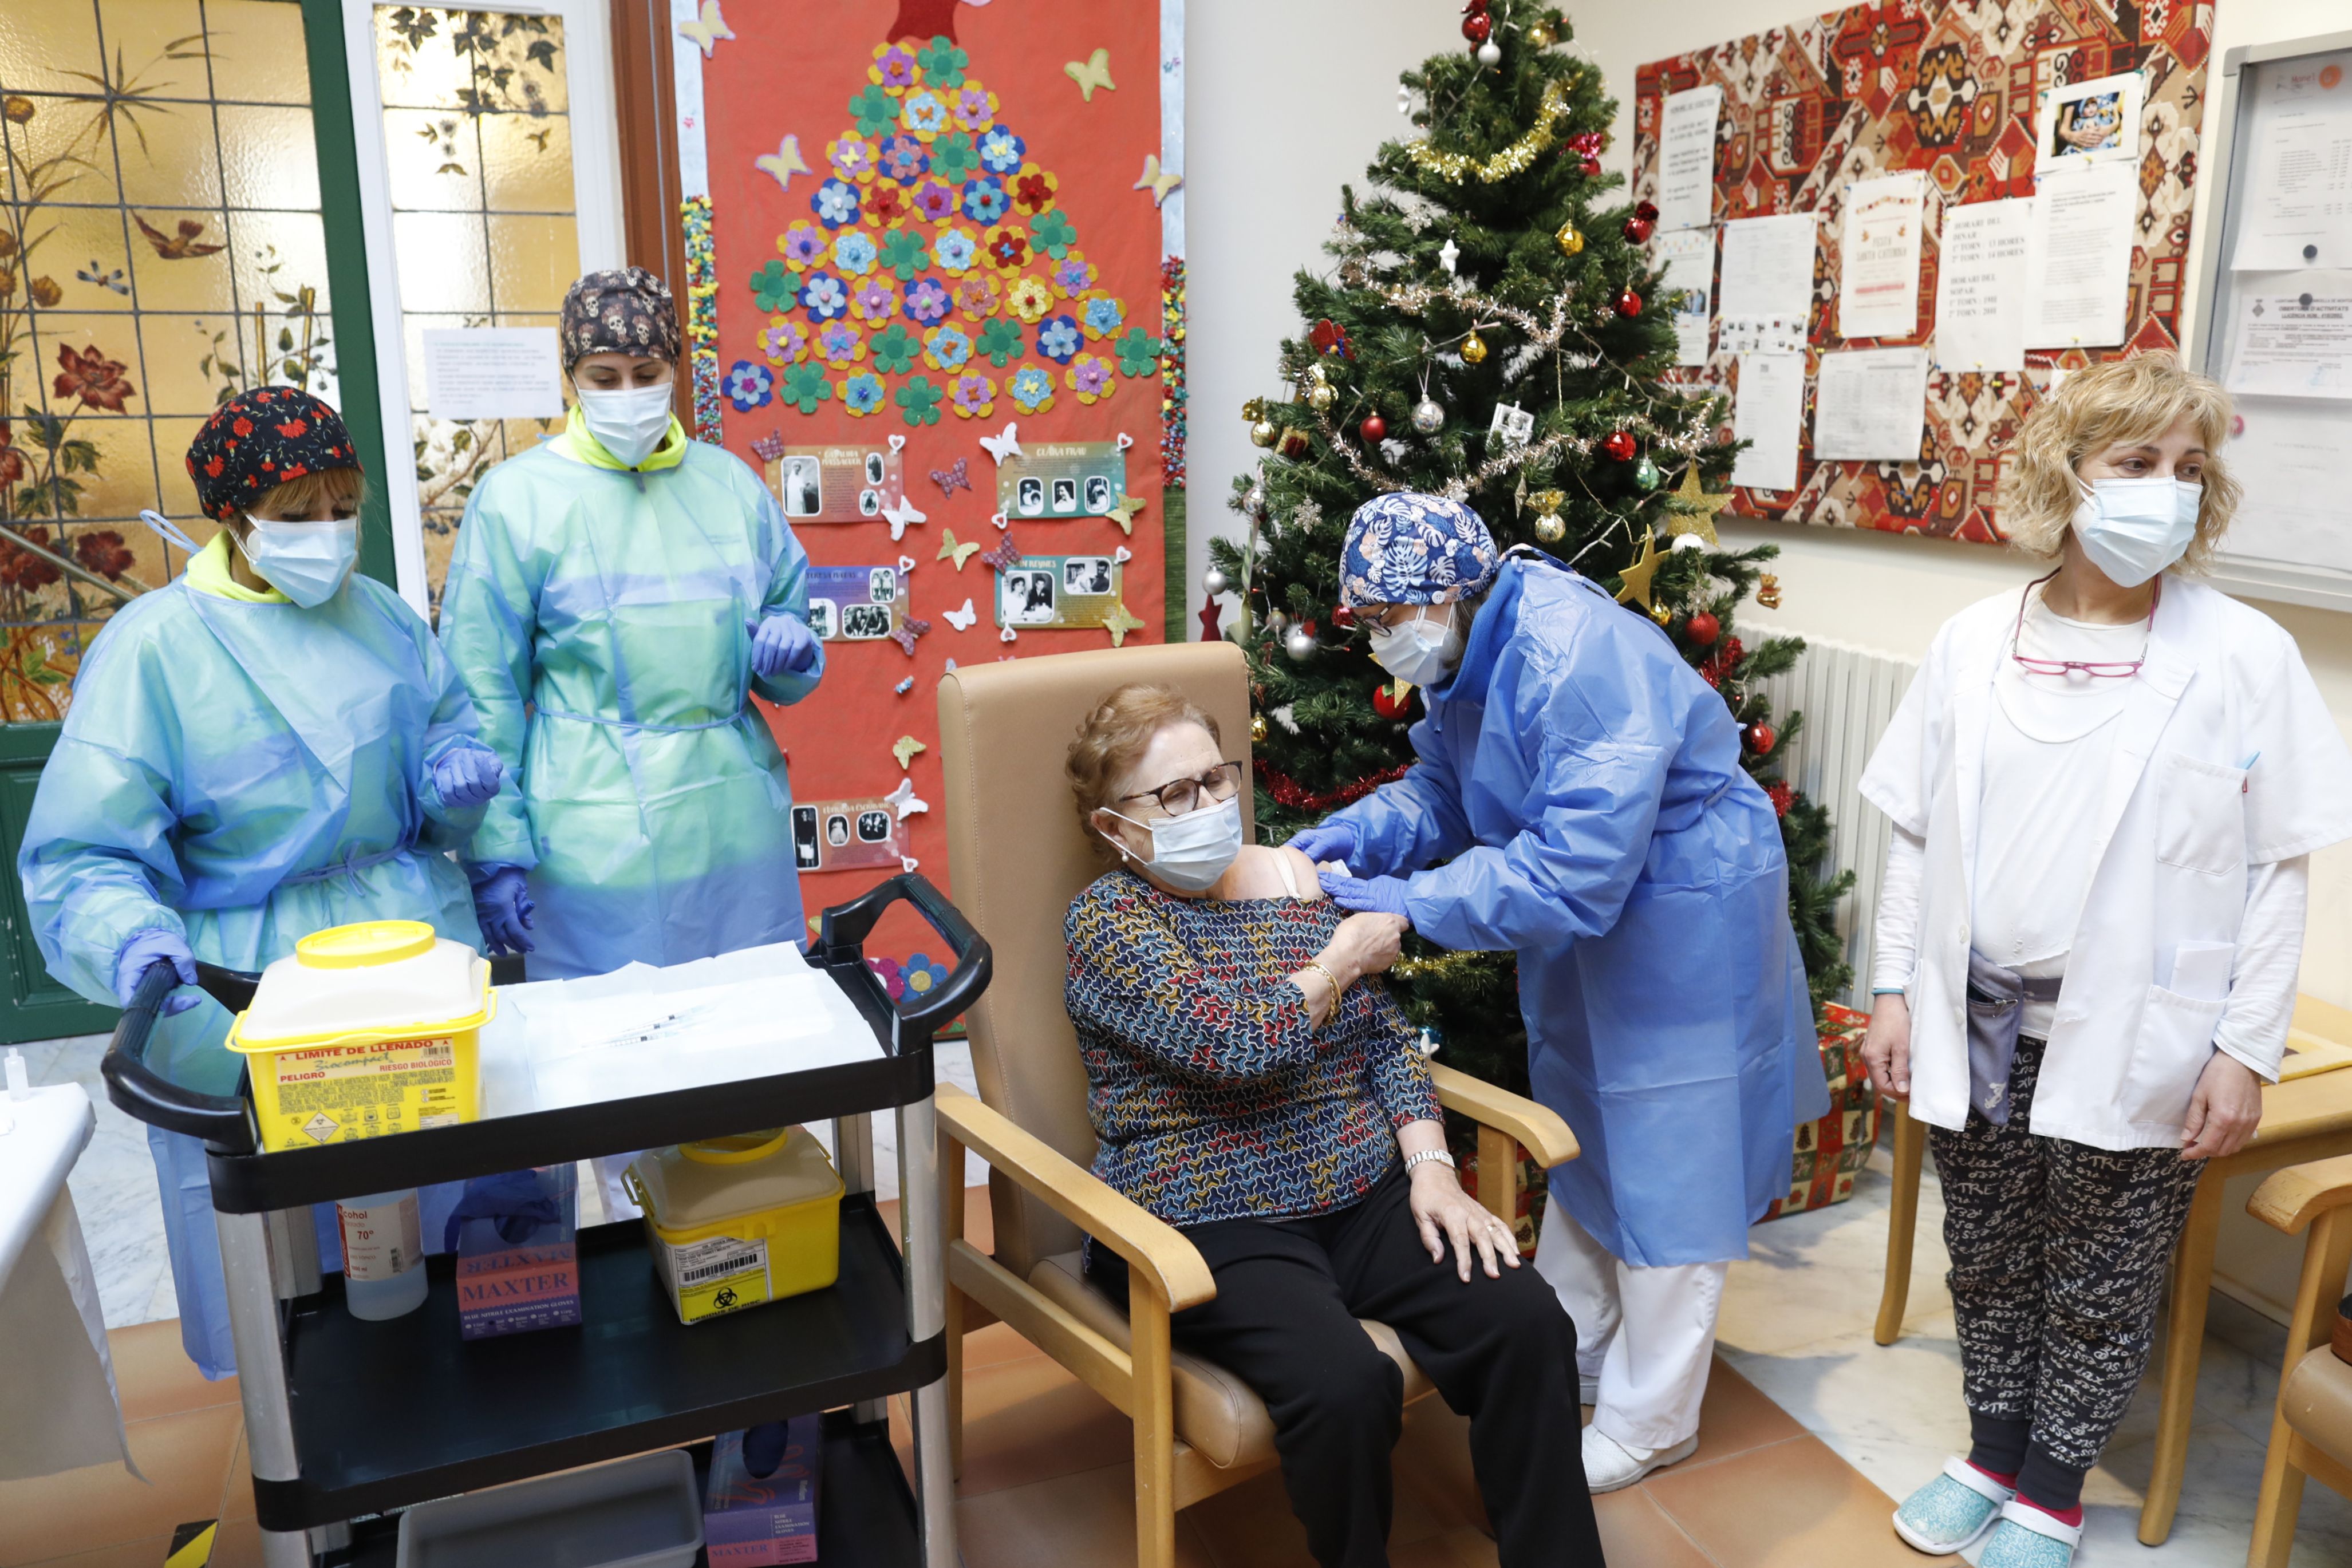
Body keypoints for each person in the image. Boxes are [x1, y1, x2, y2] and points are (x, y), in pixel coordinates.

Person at [1858, 353, 2352, 1568]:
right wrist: (1886, 988)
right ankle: (1987, 1449)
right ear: (2062, 474)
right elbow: (1916, 837)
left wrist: (2240, 1049)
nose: (2164, 493)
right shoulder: (1974, 641)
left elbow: (2274, 873)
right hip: (1977, 1016)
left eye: (2188, 469)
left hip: (2141, 1027)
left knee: (2101, 1269)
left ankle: (2050, 1486)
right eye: (2134, 463)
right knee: (1984, 1251)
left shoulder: (2241, 656)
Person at [1291, 493, 1828, 1492]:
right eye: (1361, 622)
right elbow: (1447, 790)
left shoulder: (1570, 656)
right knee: (1583, 1119)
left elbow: (1571, 873)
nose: (1376, 641)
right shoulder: (1463, 652)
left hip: (1679, 908)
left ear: (1449, 591)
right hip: (1596, 914)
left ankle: (1650, 1415)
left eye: (1383, 619)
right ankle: (1576, 1342)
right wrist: (1362, 833)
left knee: (1672, 1155)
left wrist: (1403, 904)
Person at [17, 389, 501, 1378]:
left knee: (447, 1229)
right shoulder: (157, 646)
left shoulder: (385, 617)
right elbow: (84, 852)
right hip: (252, 990)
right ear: (235, 518)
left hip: (410, 956)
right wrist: (130, 941)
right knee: (296, 1281)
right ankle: (316, 1469)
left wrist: (460, 779)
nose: (326, 535)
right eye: (296, 514)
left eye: (340, 508)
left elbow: (447, 727)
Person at [1063, 684, 1604, 1568]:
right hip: (1210, 1217)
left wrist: (1430, 1166)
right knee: (1347, 1385)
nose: (1209, 806)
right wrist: (1339, 957)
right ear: (1114, 826)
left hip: (1364, 1191)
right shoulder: (1109, 922)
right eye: (1175, 794)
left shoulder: (1285, 886)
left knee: (1526, 1319)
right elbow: (1238, 1046)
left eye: (1215, 778)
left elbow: (1385, 1041)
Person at [438, 266, 824, 982]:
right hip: (589, 830)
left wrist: (791, 651)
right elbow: (480, 692)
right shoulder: (518, 500)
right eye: (604, 376)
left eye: (645, 372)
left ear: (674, 368)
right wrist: (495, 849)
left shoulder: (729, 486)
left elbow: (785, 645)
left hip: (732, 817)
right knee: (610, 1054)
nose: (627, 394)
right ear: (571, 377)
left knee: (748, 1037)